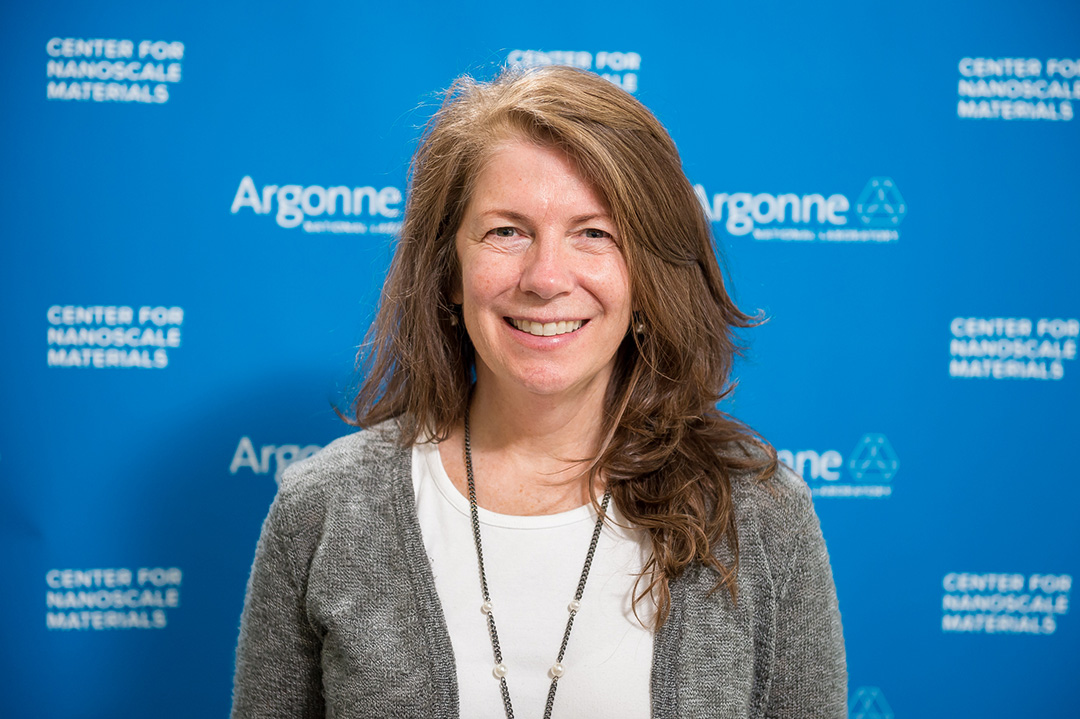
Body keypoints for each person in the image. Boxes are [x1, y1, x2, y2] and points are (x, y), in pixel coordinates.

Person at [231, 65, 846, 719]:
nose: (547, 277)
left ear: (648, 278)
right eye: (507, 231)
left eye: (594, 233)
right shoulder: (322, 511)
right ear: (449, 273)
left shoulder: (758, 513)